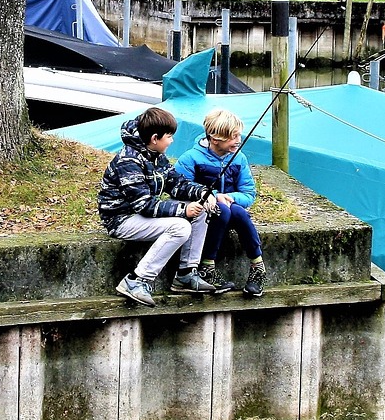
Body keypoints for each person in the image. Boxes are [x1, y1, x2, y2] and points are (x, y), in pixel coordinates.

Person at [98, 106, 218, 307]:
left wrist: (203, 193)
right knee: (180, 227)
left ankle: (186, 274)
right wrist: (182, 210)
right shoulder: (128, 161)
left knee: (200, 209)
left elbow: (176, 184)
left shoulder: (156, 156)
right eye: (169, 136)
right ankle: (136, 280)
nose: (171, 141)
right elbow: (144, 205)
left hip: (140, 215)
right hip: (121, 220)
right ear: (155, 138)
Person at [174, 108, 267, 297]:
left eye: (239, 135)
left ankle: (258, 267)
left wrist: (231, 198)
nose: (238, 141)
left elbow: (249, 194)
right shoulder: (190, 159)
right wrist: (216, 196)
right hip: (207, 212)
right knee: (222, 210)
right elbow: (182, 187)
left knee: (238, 212)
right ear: (215, 139)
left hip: (231, 209)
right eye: (233, 137)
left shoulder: (239, 158)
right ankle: (207, 267)